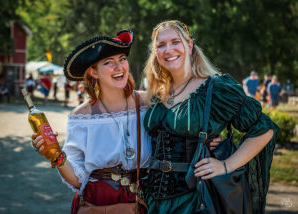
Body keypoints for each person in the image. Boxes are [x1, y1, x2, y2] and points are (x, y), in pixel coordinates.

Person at [30, 29, 222, 214]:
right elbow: (78, 180)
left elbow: (182, 127)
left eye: (122, 59)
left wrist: (211, 138)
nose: (119, 67)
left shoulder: (151, 103)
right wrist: (56, 156)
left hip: (145, 203)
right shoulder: (81, 116)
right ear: (94, 72)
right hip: (98, 205)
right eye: (108, 62)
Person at [142, 20, 279, 213]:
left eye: (175, 42)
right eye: (161, 45)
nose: (168, 49)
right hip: (153, 201)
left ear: (189, 46)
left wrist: (226, 165)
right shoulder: (156, 93)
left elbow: (265, 128)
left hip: (195, 199)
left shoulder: (216, 89)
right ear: (156, 53)